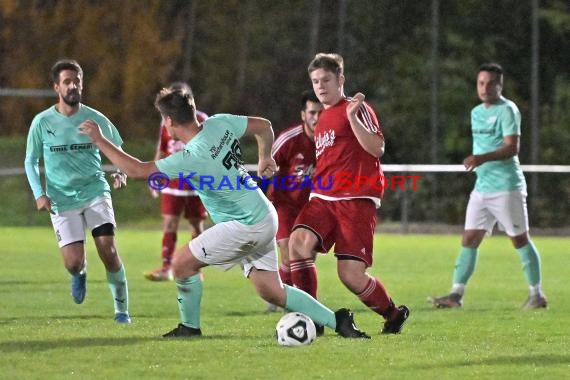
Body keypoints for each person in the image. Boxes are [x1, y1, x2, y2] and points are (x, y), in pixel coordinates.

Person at [78, 87, 370, 339]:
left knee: (181, 266)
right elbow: (264, 126)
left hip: (245, 224)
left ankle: (189, 328)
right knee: (271, 291)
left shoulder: (192, 157)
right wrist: (265, 156)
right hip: (264, 215)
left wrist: (99, 139)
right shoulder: (219, 124)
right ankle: (339, 320)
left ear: (168, 121)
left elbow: (137, 170)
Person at [288, 53, 410, 335]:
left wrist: (353, 116)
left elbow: (376, 148)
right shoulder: (323, 117)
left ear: (340, 79)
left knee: (350, 276)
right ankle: (313, 319)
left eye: (326, 80)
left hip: (355, 201)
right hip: (323, 198)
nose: (320, 86)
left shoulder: (356, 108)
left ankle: (393, 314)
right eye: (315, 81)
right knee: (298, 243)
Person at [428, 63, 547, 310]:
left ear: (500, 85)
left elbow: (512, 147)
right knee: (470, 238)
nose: (485, 87)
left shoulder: (508, 110)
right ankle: (455, 294)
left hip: (506, 186)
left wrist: (480, 159)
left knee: (519, 239)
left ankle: (537, 294)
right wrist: (479, 163)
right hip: (482, 187)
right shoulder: (476, 112)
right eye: (481, 83)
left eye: (491, 83)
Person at [24, 59, 131, 323]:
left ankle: (121, 310)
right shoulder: (42, 122)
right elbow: (30, 161)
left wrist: (120, 171)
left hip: (94, 191)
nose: (73, 86)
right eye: (67, 82)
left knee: (109, 249)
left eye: (77, 81)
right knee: (72, 262)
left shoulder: (95, 118)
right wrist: (39, 193)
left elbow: (117, 146)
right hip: (61, 198)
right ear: (56, 87)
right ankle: (79, 273)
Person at [144, 82, 209, 281]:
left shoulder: (202, 120)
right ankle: (166, 267)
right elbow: (162, 150)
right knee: (170, 223)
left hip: (196, 183)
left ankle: (196, 268)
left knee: (197, 226)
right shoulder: (167, 122)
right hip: (173, 181)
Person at [265, 90, 322, 312]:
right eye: (312, 112)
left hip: (314, 207)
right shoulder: (289, 140)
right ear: (303, 114)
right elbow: (267, 168)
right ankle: (290, 302)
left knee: (306, 260)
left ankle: (280, 293)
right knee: (290, 255)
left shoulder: (331, 140)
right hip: (285, 205)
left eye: (321, 112)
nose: (316, 117)